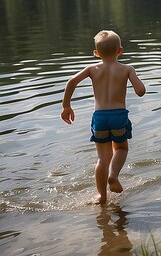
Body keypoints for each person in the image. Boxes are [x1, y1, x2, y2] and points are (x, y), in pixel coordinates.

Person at [60, 30, 146, 204]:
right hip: (118, 116)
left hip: (99, 118)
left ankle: (101, 197)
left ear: (96, 53)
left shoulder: (92, 69)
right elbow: (141, 91)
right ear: (120, 51)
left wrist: (66, 106)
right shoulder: (127, 69)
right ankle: (113, 175)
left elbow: (71, 82)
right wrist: (136, 84)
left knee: (102, 159)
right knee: (121, 149)